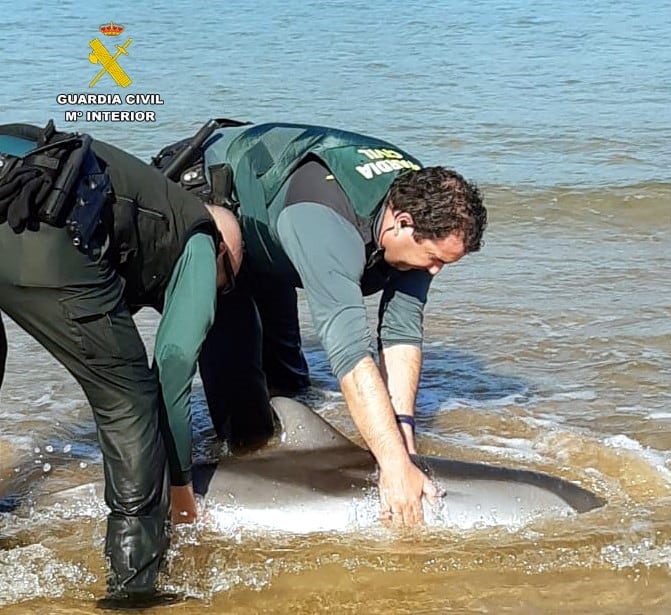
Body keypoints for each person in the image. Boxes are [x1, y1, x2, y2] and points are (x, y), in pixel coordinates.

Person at [155, 121, 487, 527]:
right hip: (217, 211)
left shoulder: (424, 208)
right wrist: (392, 466)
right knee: (244, 424)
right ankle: (194, 494)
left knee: (290, 387)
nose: (434, 272)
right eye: (434, 259)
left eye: (445, 263)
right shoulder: (325, 225)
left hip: (274, 220)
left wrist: (403, 442)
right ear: (401, 222)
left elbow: (401, 333)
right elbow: (349, 354)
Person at [0, 121, 242, 607]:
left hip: (13, 180)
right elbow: (171, 368)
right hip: (47, 223)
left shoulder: (146, 196)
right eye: (225, 282)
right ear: (221, 249)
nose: (216, 296)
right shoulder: (197, 234)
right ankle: (135, 586)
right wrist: (180, 490)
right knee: (129, 401)